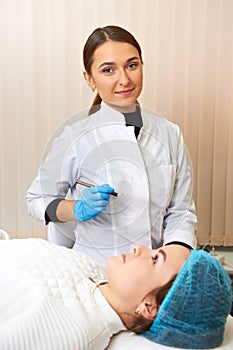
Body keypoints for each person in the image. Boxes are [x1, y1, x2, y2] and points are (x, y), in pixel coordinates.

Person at [26, 25, 197, 264]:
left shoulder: (169, 133)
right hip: (96, 269)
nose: (124, 79)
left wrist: (170, 265)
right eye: (108, 70)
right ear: (89, 79)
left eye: (132, 65)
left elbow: (181, 212)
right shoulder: (74, 138)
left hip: (155, 268)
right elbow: (36, 200)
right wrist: (74, 208)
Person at [0, 238, 232, 350]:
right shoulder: (94, 271)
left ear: (149, 308)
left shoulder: (68, 327)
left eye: (154, 259)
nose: (137, 248)